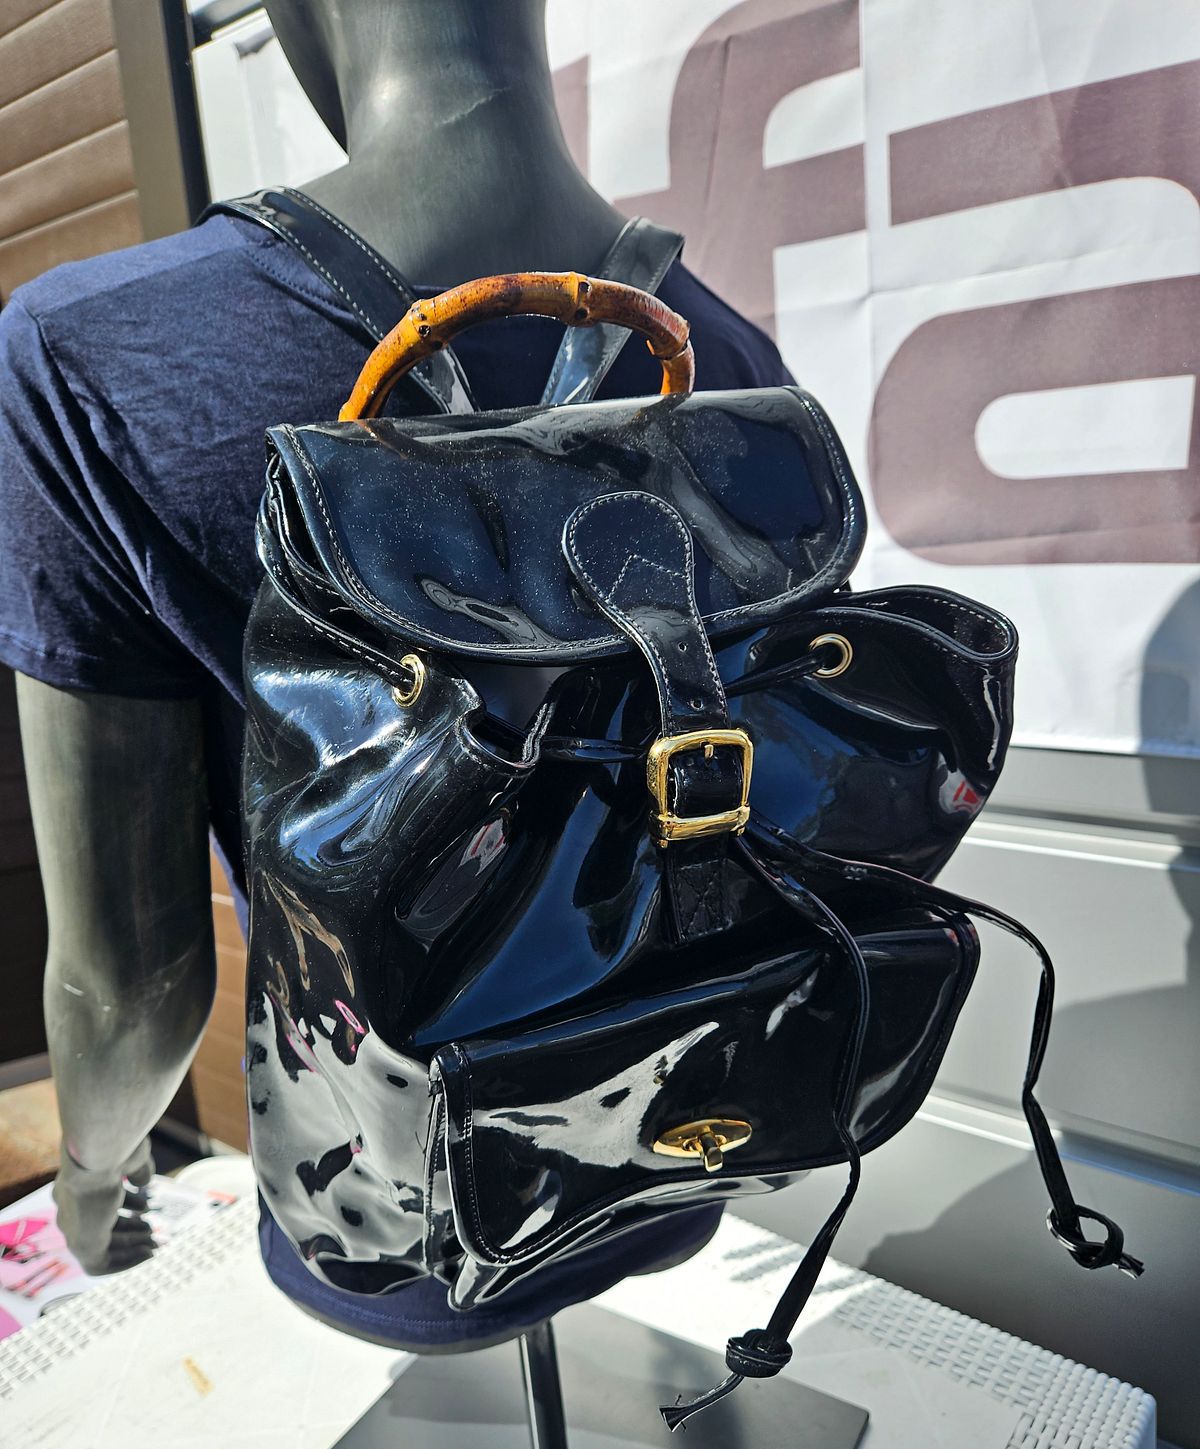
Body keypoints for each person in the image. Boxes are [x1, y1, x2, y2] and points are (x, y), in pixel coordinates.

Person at [0, 0, 791, 1342]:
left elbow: (131, 983)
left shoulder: (92, 353)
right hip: (684, 1124)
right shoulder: (728, 354)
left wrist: (90, 1169)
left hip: (389, 1206)